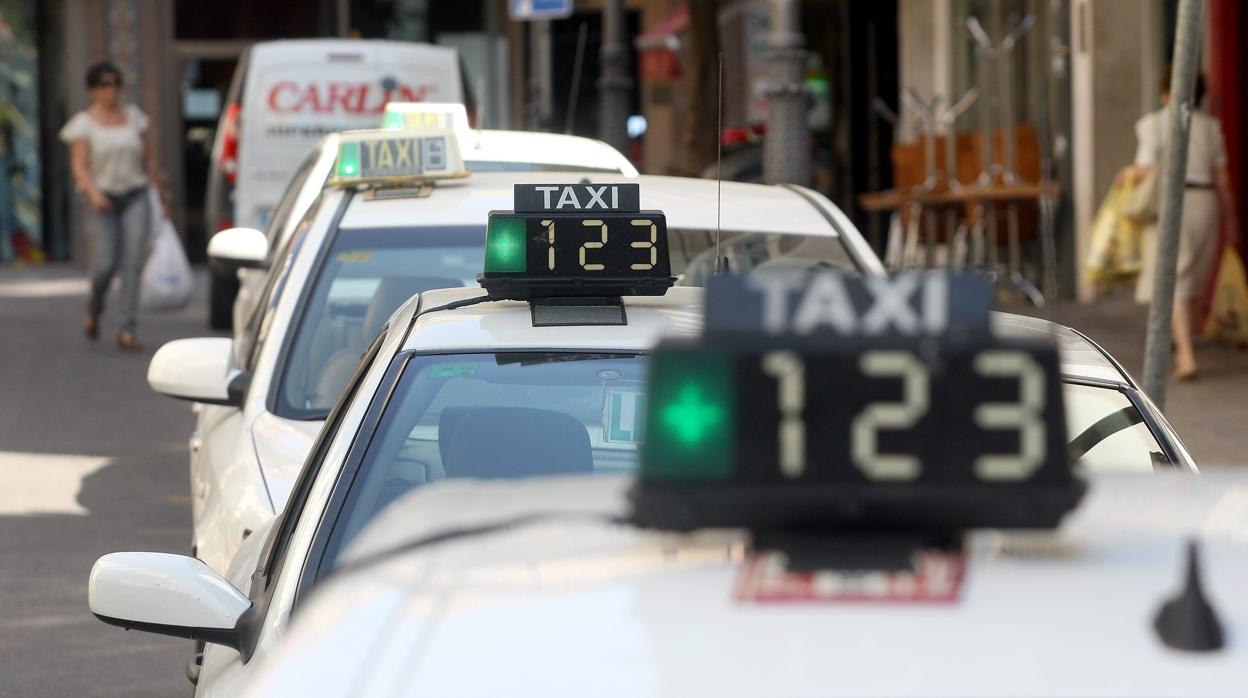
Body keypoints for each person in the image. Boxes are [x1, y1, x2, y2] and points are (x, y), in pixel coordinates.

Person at [1128, 70, 1239, 380]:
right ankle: (1183, 342)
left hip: (1171, 203)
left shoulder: (1153, 124)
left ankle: (1186, 354)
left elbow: (1143, 169)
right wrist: (1231, 219)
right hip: (1205, 202)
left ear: (1166, 92)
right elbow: (1223, 178)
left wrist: (1125, 177)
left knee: (1175, 277)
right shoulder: (1210, 127)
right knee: (1192, 277)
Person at [60, 61, 169, 351]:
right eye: (105, 85)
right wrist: (93, 193)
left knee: (133, 261)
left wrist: (159, 193)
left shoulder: (134, 118)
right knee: (105, 263)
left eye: (116, 84)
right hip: (101, 199)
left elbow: (148, 160)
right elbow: (79, 167)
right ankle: (94, 310)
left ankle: (127, 329)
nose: (112, 91)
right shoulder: (83, 124)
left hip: (135, 194)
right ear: (93, 89)